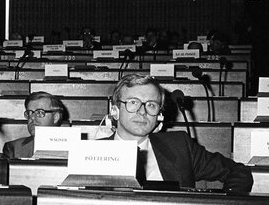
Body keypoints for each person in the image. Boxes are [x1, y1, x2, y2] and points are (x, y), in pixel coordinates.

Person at [104, 74, 252, 192]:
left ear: (159, 116)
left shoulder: (180, 146)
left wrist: (229, 204)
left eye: (151, 105)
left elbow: (238, 171)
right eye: (133, 102)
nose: (142, 112)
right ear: (115, 110)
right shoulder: (89, 153)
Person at [0, 92, 66, 159]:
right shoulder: (13, 148)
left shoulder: (72, 145)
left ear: (55, 117)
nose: (32, 117)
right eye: (29, 113)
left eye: (39, 112)